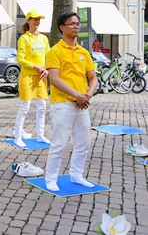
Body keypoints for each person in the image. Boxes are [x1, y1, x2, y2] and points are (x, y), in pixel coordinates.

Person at [44, 11, 98, 192]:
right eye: (72, 23)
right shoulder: (55, 51)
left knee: (83, 143)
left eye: (78, 23)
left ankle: (76, 175)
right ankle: (50, 179)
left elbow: (93, 78)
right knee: (58, 144)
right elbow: (55, 80)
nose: (76, 26)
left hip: (82, 104)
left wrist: (87, 95)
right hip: (63, 103)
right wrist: (77, 95)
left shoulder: (84, 52)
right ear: (62, 27)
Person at [8, 10, 50, 148]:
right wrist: (36, 66)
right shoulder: (24, 39)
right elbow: (20, 59)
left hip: (40, 77)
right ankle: (18, 137)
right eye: (34, 19)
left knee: (42, 107)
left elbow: (49, 56)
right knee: (25, 107)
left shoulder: (44, 38)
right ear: (28, 21)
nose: (37, 21)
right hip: (27, 76)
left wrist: (46, 69)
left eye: (39, 19)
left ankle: (40, 135)